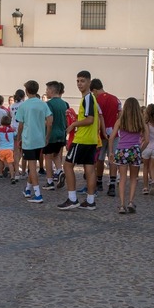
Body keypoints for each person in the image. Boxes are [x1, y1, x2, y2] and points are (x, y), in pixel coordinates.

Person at [57, 70, 102, 210]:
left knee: (67, 165)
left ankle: (72, 199)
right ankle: (90, 201)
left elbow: (90, 119)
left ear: (89, 82)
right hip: (91, 139)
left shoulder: (88, 98)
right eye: (77, 81)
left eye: (82, 81)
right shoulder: (90, 98)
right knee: (89, 168)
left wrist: (73, 124)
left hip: (83, 139)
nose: (79, 84)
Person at [109, 97, 148, 214]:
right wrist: (139, 150)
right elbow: (147, 140)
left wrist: (111, 152)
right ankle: (131, 202)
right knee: (133, 178)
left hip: (122, 150)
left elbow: (111, 137)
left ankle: (121, 205)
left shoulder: (121, 121)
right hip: (135, 150)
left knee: (122, 178)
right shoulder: (141, 122)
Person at [15, 80, 50, 203]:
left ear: (26, 91)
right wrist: (47, 136)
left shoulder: (23, 105)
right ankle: (28, 189)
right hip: (39, 139)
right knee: (32, 164)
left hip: (28, 139)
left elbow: (20, 125)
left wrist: (18, 138)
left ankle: (38, 194)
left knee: (32, 167)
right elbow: (50, 121)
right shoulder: (43, 104)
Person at [91, 79, 121, 196]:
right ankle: (112, 184)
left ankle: (99, 182)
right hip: (114, 131)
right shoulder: (115, 99)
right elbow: (120, 114)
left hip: (100, 133)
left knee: (100, 158)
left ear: (95, 90)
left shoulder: (96, 100)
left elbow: (99, 117)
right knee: (112, 157)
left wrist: (102, 132)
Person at [43, 81, 68, 190]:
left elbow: (49, 121)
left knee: (47, 157)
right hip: (62, 133)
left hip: (52, 134)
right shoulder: (65, 104)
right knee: (56, 155)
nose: (46, 92)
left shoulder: (49, 104)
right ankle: (59, 171)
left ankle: (49, 182)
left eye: (47, 89)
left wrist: (47, 136)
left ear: (52, 90)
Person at [0, 115, 17, 182]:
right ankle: (12, 176)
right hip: (10, 150)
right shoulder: (12, 130)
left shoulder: (0, 130)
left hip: (1, 149)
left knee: (1, 161)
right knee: (10, 163)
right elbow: (16, 135)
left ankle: (1, 173)